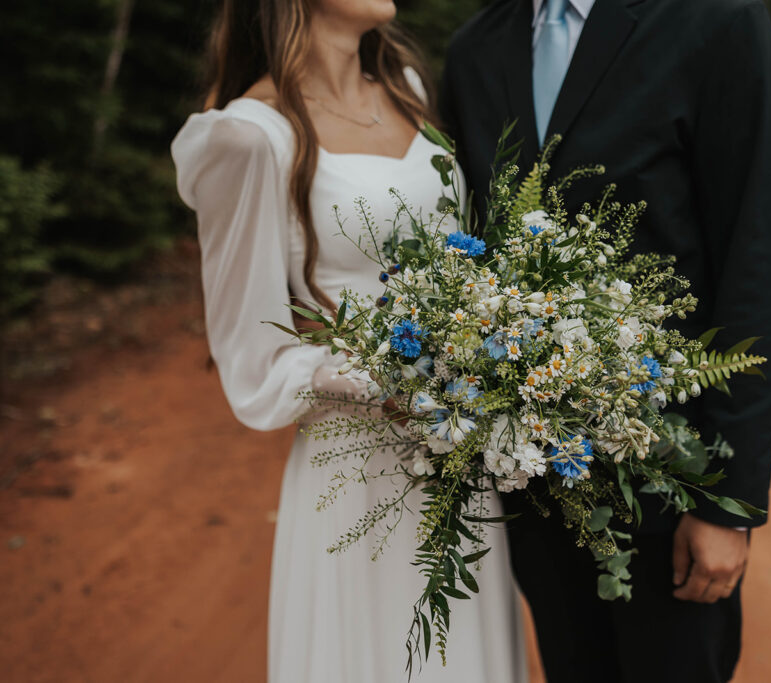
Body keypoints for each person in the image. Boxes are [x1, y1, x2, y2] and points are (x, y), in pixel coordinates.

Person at [440, 0, 771, 681]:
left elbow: (757, 258)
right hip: (534, 485)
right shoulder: (473, 51)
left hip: (671, 487)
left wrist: (728, 501)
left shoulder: (716, 20)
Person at [171, 1, 526, 681]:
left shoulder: (409, 90)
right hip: (357, 471)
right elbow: (251, 354)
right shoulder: (252, 136)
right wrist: (370, 379)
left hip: (460, 462)